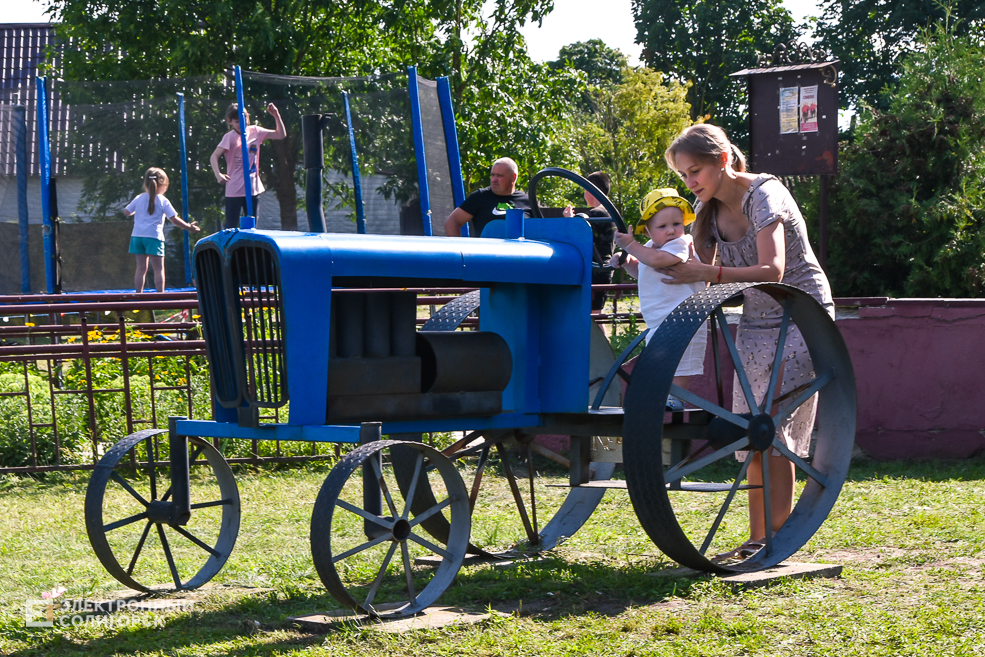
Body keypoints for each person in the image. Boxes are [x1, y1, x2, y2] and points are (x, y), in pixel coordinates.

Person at [661, 123, 834, 560]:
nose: (690, 182)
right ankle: (759, 538)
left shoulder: (764, 195)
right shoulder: (709, 213)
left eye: (695, 170)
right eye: (683, 175)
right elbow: (700, 275)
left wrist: (706, 273)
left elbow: (772, 269)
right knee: (750, 432)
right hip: (757, 319)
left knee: (773, 426)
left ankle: (775, 538)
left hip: (803, 314)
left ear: (722, 160)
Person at [609, 188, 707, 409]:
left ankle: (676, 399)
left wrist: (630, 246)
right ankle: (663, 398)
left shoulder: (681, 245)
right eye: (662, 226)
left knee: (681, 364)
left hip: (685, 318)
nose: (671, 231)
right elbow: (644, 269)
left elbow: (656, 260)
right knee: (661, 363)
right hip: (659, 320)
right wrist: (627, 261)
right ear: (648, 231)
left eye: (676, 224)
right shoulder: (649, 249)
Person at [210, 102, 286, 229]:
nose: (241, 124)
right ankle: (229, 248)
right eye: (237, 121)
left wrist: (276, 115)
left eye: (244, 119)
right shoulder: (229, 137)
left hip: (252, 188)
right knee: (231, 226)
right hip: (234, 189)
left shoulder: (255, 131)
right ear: (230, 122)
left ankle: (249, 247)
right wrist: (218, 175)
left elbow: (280, 135)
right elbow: (214, 156)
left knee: (251, 226)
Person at [123, 168, 200, 293]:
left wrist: (137, 211)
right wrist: (189, 227)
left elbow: (126, 212)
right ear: (163, 185)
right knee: (159, 269)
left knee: (141, 268)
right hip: (154, 237)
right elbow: (174, 219)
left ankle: (138, 294)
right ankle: (160, 295)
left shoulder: (139, 198)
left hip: (137, 236)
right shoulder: (162, 200)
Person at [562, 171, 618, 310]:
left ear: (591, 190)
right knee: (596, 314)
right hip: (603, 270)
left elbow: (576, 232)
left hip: (595, 271)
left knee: (592, 317)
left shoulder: (597, 214)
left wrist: (569, 220)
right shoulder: (609, 212)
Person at [444, 157, 529, 237]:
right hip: (487, 251)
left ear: (513, 177)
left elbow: (539, 231)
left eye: (499, 176)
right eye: (493, 175)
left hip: (518, 251)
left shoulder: (527, 201)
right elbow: (452, 222)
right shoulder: (480, 197)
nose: (494, 179)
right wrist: (460, 248)